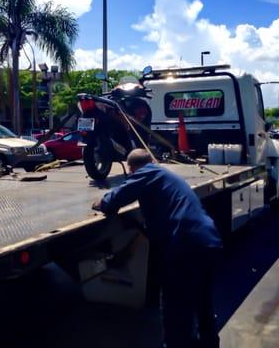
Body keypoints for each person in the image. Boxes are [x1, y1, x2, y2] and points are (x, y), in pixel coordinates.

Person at [92, 148, 222, 348]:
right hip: (209, 241)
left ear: (131, 168)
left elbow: (118, 196)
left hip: (184, 247)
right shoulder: (166, 175)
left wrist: (102, 202)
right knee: (203, 304)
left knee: (175, 309)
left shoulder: (147, 172)